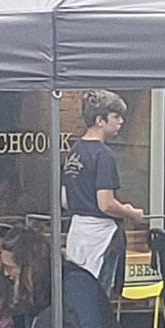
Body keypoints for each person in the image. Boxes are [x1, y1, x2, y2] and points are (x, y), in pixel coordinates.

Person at [63, 90, 146, 293]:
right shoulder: (103, 155)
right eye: (116, 117)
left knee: (77, 293)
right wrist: (131, 213)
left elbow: (65, 200)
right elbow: (106, 203)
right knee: (99, 298)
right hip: (100, 236)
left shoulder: (73, 151)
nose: (121, 122)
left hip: (77, 233)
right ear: (100, 120)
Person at [0, 226, 123, 328]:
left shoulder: (76, 283)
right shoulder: (37, 290)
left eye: (10, 268)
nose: (6, 274)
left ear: (29, 267)